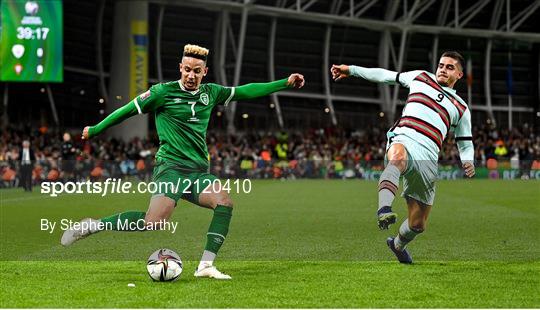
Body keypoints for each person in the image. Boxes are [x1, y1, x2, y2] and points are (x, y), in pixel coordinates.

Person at [61, 44, 305, 279]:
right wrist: (96, 128)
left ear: (204, 72)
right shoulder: (161, 92)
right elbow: (126, 110)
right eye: (187, 69)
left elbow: (246, 90)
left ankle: (205, 266)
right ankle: (93, 225)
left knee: (224, 202)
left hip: (198, 172)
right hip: (170, 169)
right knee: (154, 223)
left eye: (196, 71)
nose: (191, 75)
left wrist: (284, 82)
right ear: (180, 67)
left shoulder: (211, 93)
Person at [331, 51, 475, 264]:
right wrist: (351, 70)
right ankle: (384, 209)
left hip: (428, 157)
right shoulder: (420, 77)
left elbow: (465, 140)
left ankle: (397, 245)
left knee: (418, 224)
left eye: (450, 67)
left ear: (460, 75)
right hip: (405, 137)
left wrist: (468, 159)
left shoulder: (461, 108)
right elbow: (384, 75)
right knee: (396, 158)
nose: (443, 69)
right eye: (441, 65)